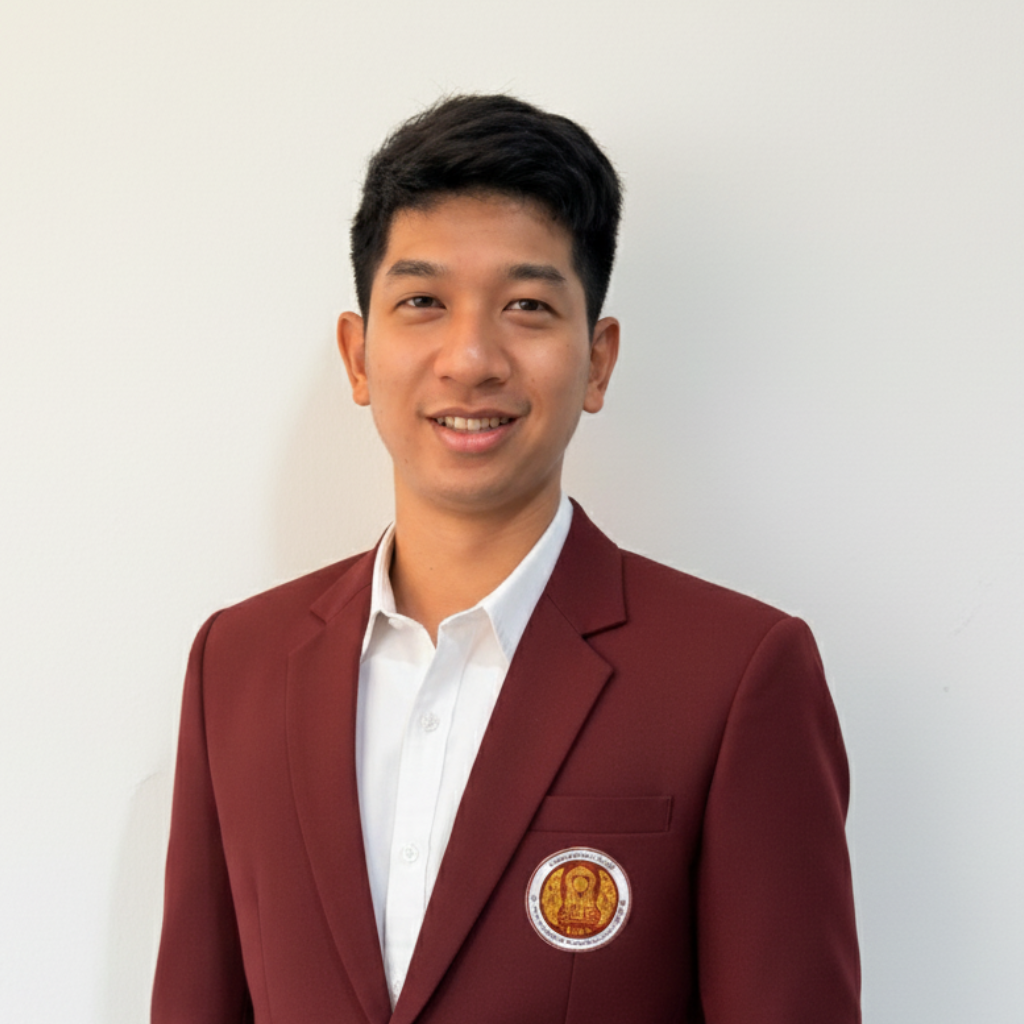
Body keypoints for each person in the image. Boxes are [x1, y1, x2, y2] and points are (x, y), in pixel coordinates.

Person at [152, 94, 861, 1024]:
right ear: (358, 356)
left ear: (597, 360)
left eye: (527, 306)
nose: (471, 357)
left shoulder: (734, 675)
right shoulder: (237, 664)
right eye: (423, 302)